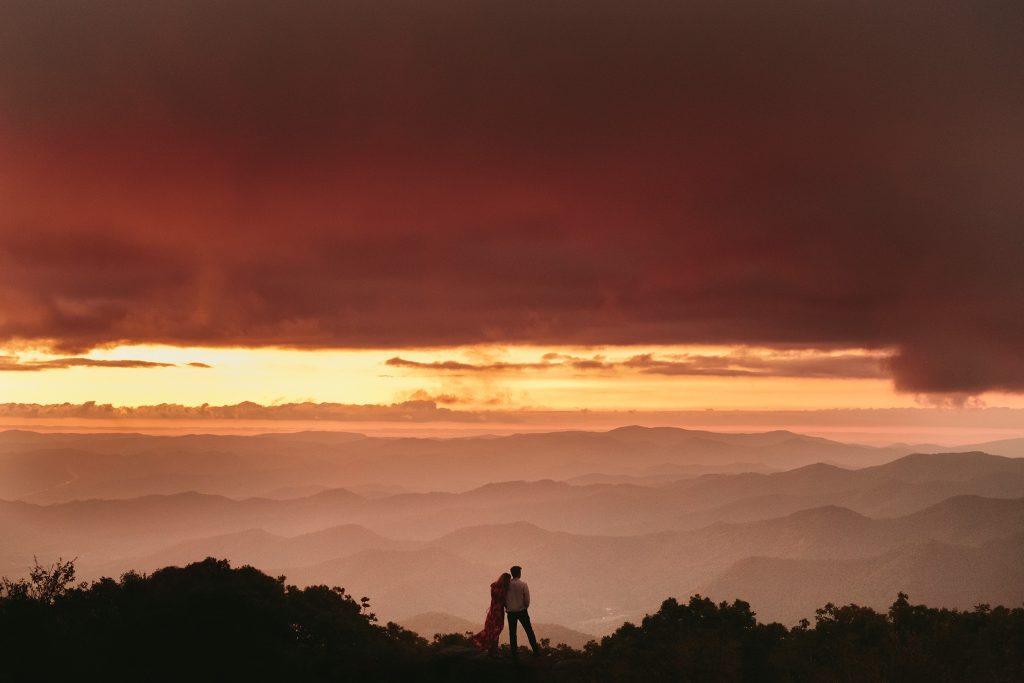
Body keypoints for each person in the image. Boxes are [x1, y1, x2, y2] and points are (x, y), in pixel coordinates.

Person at [505, 565, 541, 659]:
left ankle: (514, 654)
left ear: (512, 573)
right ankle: (536, 651)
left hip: (511, 612)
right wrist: (524, 607)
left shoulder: (507, 584)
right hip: (521, 611)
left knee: (512, 633)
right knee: (529, 631)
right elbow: (527, 600)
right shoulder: (523, 584)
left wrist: (507, 606)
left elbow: (503, 598)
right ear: (519, 573)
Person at [472, 572, 511, 654]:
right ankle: (490, 647)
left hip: (492, 611)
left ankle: (489, 647)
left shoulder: (494, 587)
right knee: (497, 629)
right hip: (498, 612)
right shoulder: (503, 591)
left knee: (490, 629)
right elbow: (504, 602)